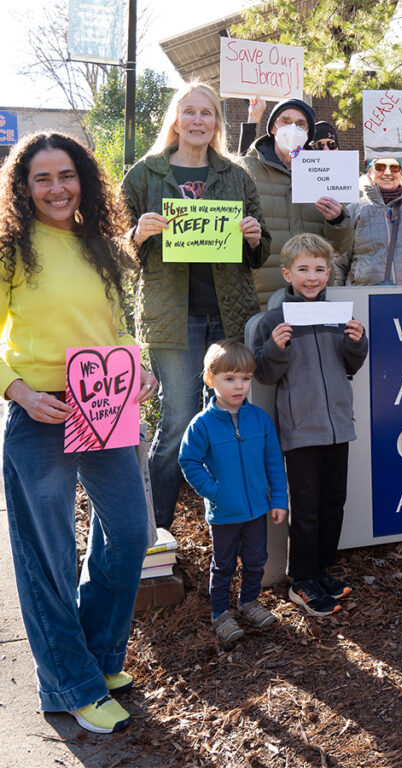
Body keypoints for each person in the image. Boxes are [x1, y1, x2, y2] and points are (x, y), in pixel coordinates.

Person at [0, 132, 158, 733]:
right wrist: (17, 389)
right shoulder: (11, 248)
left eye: (65, 175)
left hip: (107, 405)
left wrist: (135, 364)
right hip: (40, 413)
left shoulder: (102, 245)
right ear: (24, 186)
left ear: (83, 179)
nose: (56, 188)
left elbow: (116, 325)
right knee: (50, 557)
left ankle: (97, 657)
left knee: (128, 529)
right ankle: (69, 683)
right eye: (42, 178)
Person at [121, 80, 269, 531]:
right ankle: (157, 530)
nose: (198, 120)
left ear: (217, 123)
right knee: (179, 419)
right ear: (176, 119)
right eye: (190, 112)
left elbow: (259, 249)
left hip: (228, 314)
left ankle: (223, 524)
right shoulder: (145, 175)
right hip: (173, 318)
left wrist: (255, 237)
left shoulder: (236, 175)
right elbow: (114, 249)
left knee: (223, 419)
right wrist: (136, 235)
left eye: (207, 113)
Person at [252, 233, 368, 615]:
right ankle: (301, 580)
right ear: (287, 273)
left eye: (319, 269)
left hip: (338, 424)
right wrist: (275, 346)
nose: (312, 277)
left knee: (334, 502)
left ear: (329, 272)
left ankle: (321, 570)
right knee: (307, 507)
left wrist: (356, 342)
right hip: (301, 429)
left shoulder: (338, 314)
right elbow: (266, 374)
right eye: (303, 269)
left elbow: (350, 365)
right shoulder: (275, 319)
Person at [178, 340, 288, 644]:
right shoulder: (202, 425)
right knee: (224, 564)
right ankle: (220, 614)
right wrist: (214, 492)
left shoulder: (259, 419)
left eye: (245, 379)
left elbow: (274, 462)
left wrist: (278, 498)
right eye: (230, 379)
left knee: (256, 559)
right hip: (224, 512)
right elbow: (189, 460)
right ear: (211, 380)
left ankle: (249, 601)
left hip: (256, 509)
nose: (239, 386)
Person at [239, 98, 351, 308]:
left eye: (300, 124)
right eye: (285, 121)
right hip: (261, 294)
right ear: (273, 127)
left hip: (313, 294)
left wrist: (337, 220)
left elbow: (340, 247)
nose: (292, 128)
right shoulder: (246, 169)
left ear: (309, 132)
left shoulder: (325, 171)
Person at [334, 150, 402, 285]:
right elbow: (339, 260)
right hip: (366, 293)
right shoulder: (354, 209)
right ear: (369, 173)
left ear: (401, 174)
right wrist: (337, 296)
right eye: (380, 167)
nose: (387, 172)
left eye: (394, 167)